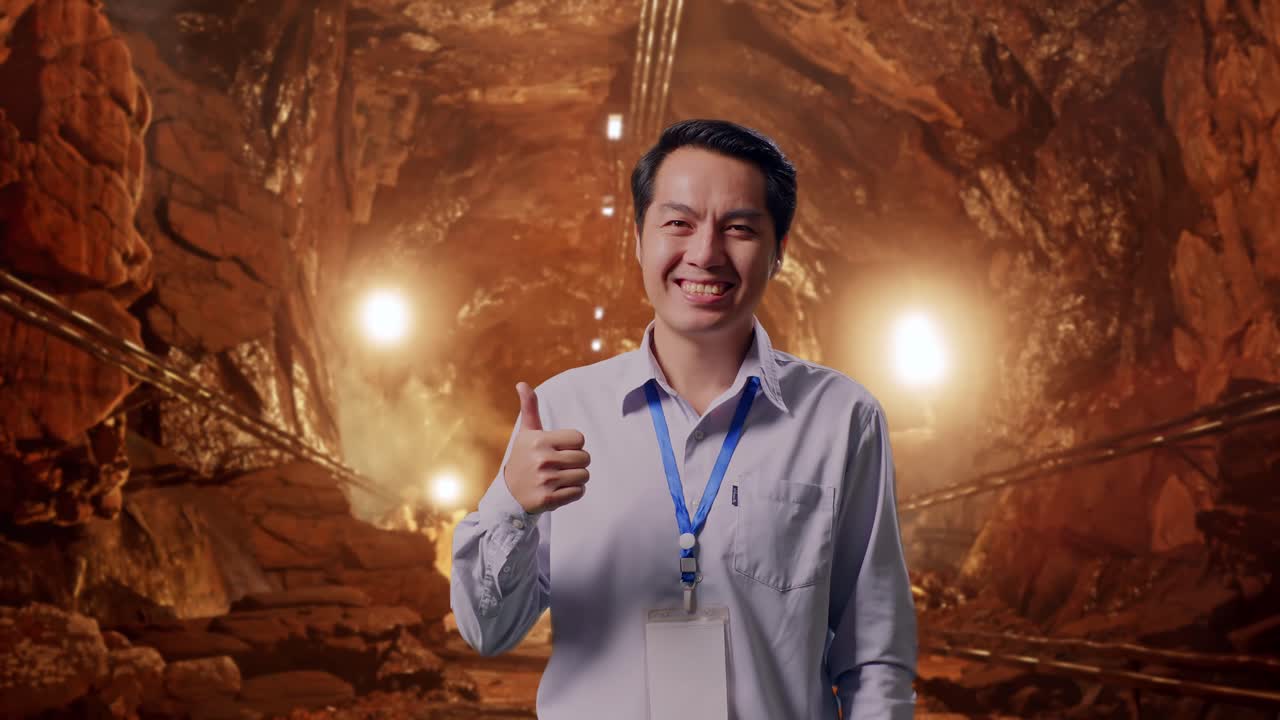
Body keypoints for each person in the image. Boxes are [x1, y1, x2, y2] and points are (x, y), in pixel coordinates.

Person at [451, 119, 917, 719]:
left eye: (740, 229)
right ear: (639, 240)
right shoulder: (563, 412)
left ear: (779, 252)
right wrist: (511, 506)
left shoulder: (841, 419)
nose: (705, 253)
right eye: (679, 223)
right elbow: (487, 631)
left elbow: (875, 654)